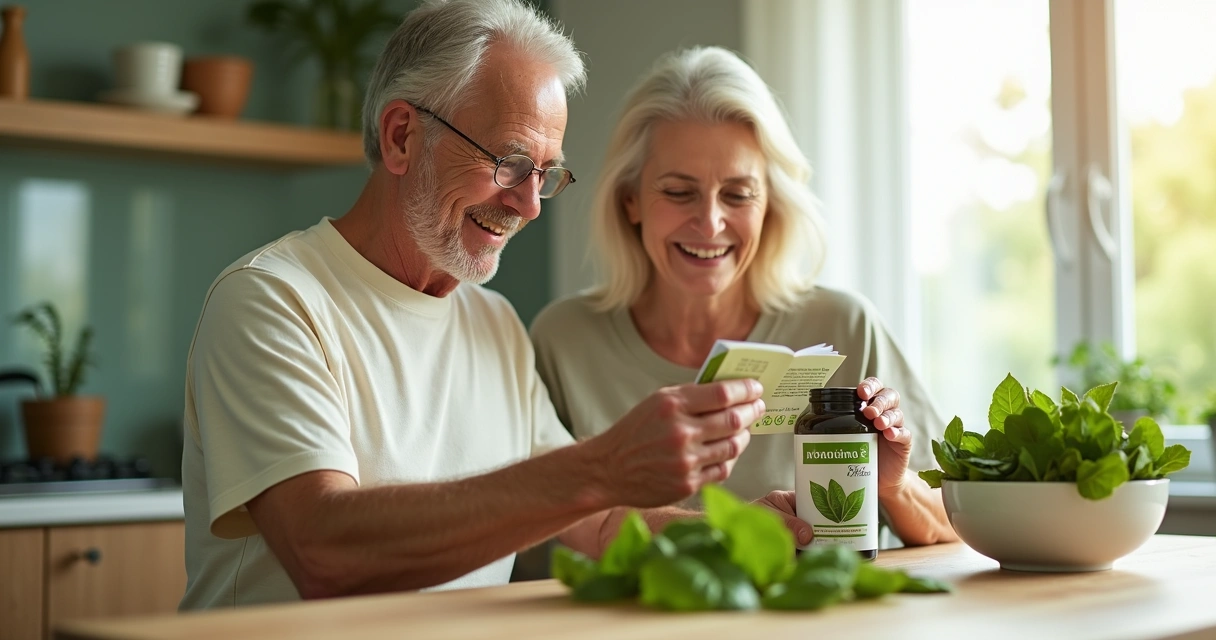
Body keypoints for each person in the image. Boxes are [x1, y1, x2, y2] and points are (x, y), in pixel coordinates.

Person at [179, 2, 774, 609]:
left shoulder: (494, 324)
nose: (529, 205)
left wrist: (749, 531)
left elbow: (597, 524)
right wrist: (600, 467)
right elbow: (323, 553)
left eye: (545, 174)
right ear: (401, 136)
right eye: (510, 164)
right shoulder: (272, 299)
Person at [530, 47, 957, 548]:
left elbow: (952, 520)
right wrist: (730, 529)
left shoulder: (844, 326)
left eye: (737, 194)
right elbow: (546, 519)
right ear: (631, 202)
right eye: (679, 192)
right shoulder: (563, 340)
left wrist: (890, 488)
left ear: (770, 206)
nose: (710, 223)